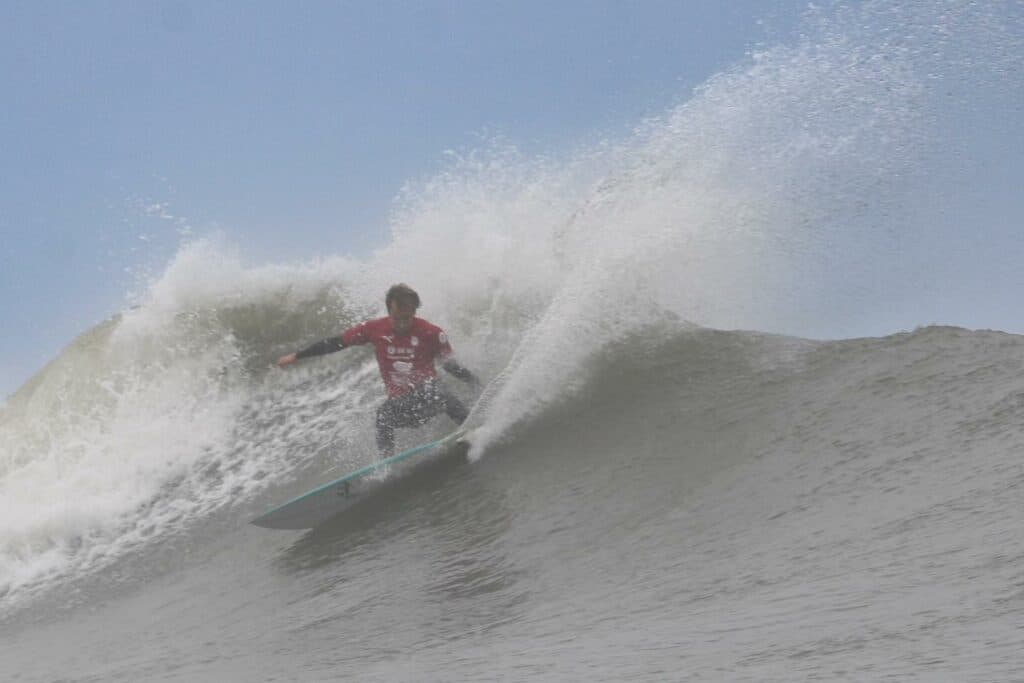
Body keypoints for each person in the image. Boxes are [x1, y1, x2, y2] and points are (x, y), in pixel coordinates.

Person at [277, 283, 480, 456]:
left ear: (415, 312)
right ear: (389, 311)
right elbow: (337, 343)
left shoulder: (432, 333)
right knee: (383, 415)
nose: (401, 324)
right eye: (396, 318)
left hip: (430, 398)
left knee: (436, 391)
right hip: (403, 405)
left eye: (406, 318)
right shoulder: (374, 329)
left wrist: (476, 384)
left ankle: (473, 430)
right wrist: (298, 355)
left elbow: (451, 366)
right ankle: (387, 464)